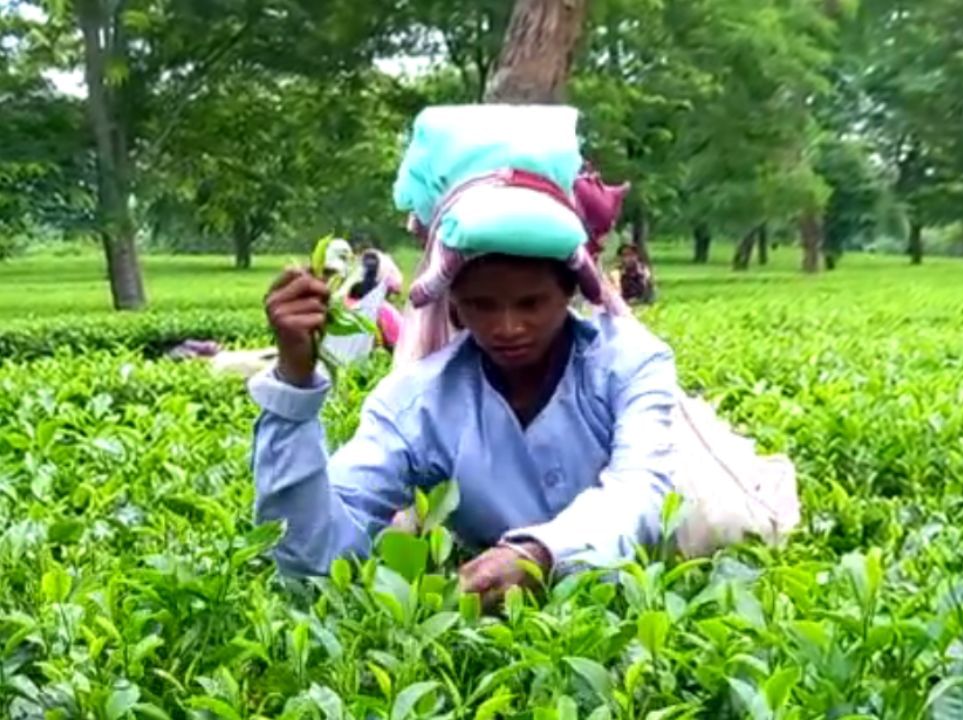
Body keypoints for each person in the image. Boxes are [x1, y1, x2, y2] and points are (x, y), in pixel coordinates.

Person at [251, 104, 688, 606]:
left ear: (568, 291)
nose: (507, 327)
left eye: (532, 303)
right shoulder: (417, 404)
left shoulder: (629, 364)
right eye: (482, 304)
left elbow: (642, 492)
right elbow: (314, 556)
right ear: (452, 302)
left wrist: (542, 554)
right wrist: (293, 381)